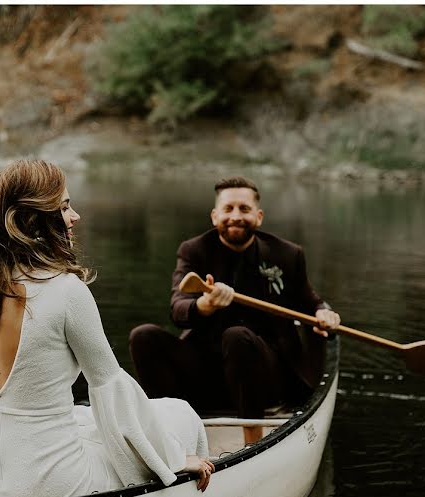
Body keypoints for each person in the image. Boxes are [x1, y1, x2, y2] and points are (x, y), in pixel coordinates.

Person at [0, 160, 213, 497]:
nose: (74, 216)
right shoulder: (65, 291)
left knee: (82, 418)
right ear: (34, 221)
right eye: (63, 207)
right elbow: (108, 385)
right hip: (52, 484)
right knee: (179, 413)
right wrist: (171, 457)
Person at [129, 176, 341, 445]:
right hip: (207, 373)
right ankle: (166, 435)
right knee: (143, 336)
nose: (235, 216)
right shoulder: (194, 251)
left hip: (268, 374)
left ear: (259, 216)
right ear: (215, 216)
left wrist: (323, 313)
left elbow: (310, 302)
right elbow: (178, 309)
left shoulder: (286, 254)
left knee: (237, 336)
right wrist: (204, 306)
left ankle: (252, 441)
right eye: (228, 209)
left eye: (244, 209)